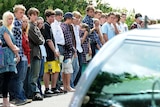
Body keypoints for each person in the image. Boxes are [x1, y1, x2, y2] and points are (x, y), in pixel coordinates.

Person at [9, 4, 30, 106]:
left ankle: (18, 96)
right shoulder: (14, 23)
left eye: (23, 13)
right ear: (15, 13)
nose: (22, 15)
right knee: (18, 78)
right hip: (17, 54)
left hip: (21, 54)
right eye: (20, 12)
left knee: (18, 77)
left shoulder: (20, 23)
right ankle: (17, 98)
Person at [0, 11, 20, 107]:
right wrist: (17, 52)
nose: (11, 20)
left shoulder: (9, 29)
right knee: (5, 78)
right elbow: (10, 44)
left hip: (10, 55)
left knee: (8, 77)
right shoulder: (4, 29)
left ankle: (6, 101)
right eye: (9, 18)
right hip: (6, 56)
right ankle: (5, 102)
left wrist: (16, 53)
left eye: (12, 18)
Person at [42, 9, 61, 97]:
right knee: (48, 70)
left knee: (55, 70)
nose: (53, 19)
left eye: (54, 17)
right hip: (48, 52)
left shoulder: (50, 26)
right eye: (51, 17)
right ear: (47, 17)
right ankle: (46, 89)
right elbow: (48, 40)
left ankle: (53, 88)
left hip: (53, 52)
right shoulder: (45, 26)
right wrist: (54, 51)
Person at [27, 7, 44, 101]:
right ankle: (33, 92)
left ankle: (35, 92)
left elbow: (42, 38)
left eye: (36, 15)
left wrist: (41, 40)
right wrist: (41, 40)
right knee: (33, 74)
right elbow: (38, 40)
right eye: (33, 15)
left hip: (38, 52)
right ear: (29, 15)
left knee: (36, 74)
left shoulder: (36, 26)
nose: (35, 16)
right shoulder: (30, 26)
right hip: (33, 53)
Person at [51, 8, 65, 93]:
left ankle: (58, 85)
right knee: (56, 67)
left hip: (61, 46)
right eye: (58, 15)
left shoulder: (59, 24)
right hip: (57, 46)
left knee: (59, 67)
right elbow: (54, 38)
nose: (60, 16)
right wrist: (56, 49)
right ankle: (55, 85)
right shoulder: (54, 25)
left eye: (61, 15)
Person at [60, 12, 75, 92]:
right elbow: (68, 40)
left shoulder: (63, 26)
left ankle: (65, 86)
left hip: (64, 51)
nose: (73, 20)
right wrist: (73, 49)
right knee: (68, 70)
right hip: (67, 51)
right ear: (68, 19)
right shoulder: (65, 27)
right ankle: (67, 86)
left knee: (64, 70)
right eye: (72, 19)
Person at [37, 16, 47, 96]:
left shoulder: (42, 31)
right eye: (38, 23)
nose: (40, 24)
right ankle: (38, 91)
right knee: (38, 74)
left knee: (41, 73)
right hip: (38, 54)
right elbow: (41, 41)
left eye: (41, 23)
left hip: (43, 54)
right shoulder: (35, 31)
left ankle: (40, 90)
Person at [22, 15, 31, 99]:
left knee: (27, 77)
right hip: (23, 56)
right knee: (22, 78)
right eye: (23, 21)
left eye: (26, 22)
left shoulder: (26, 33)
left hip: (28, 57)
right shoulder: (20, 33)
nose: (25, 23)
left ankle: (26, 94)